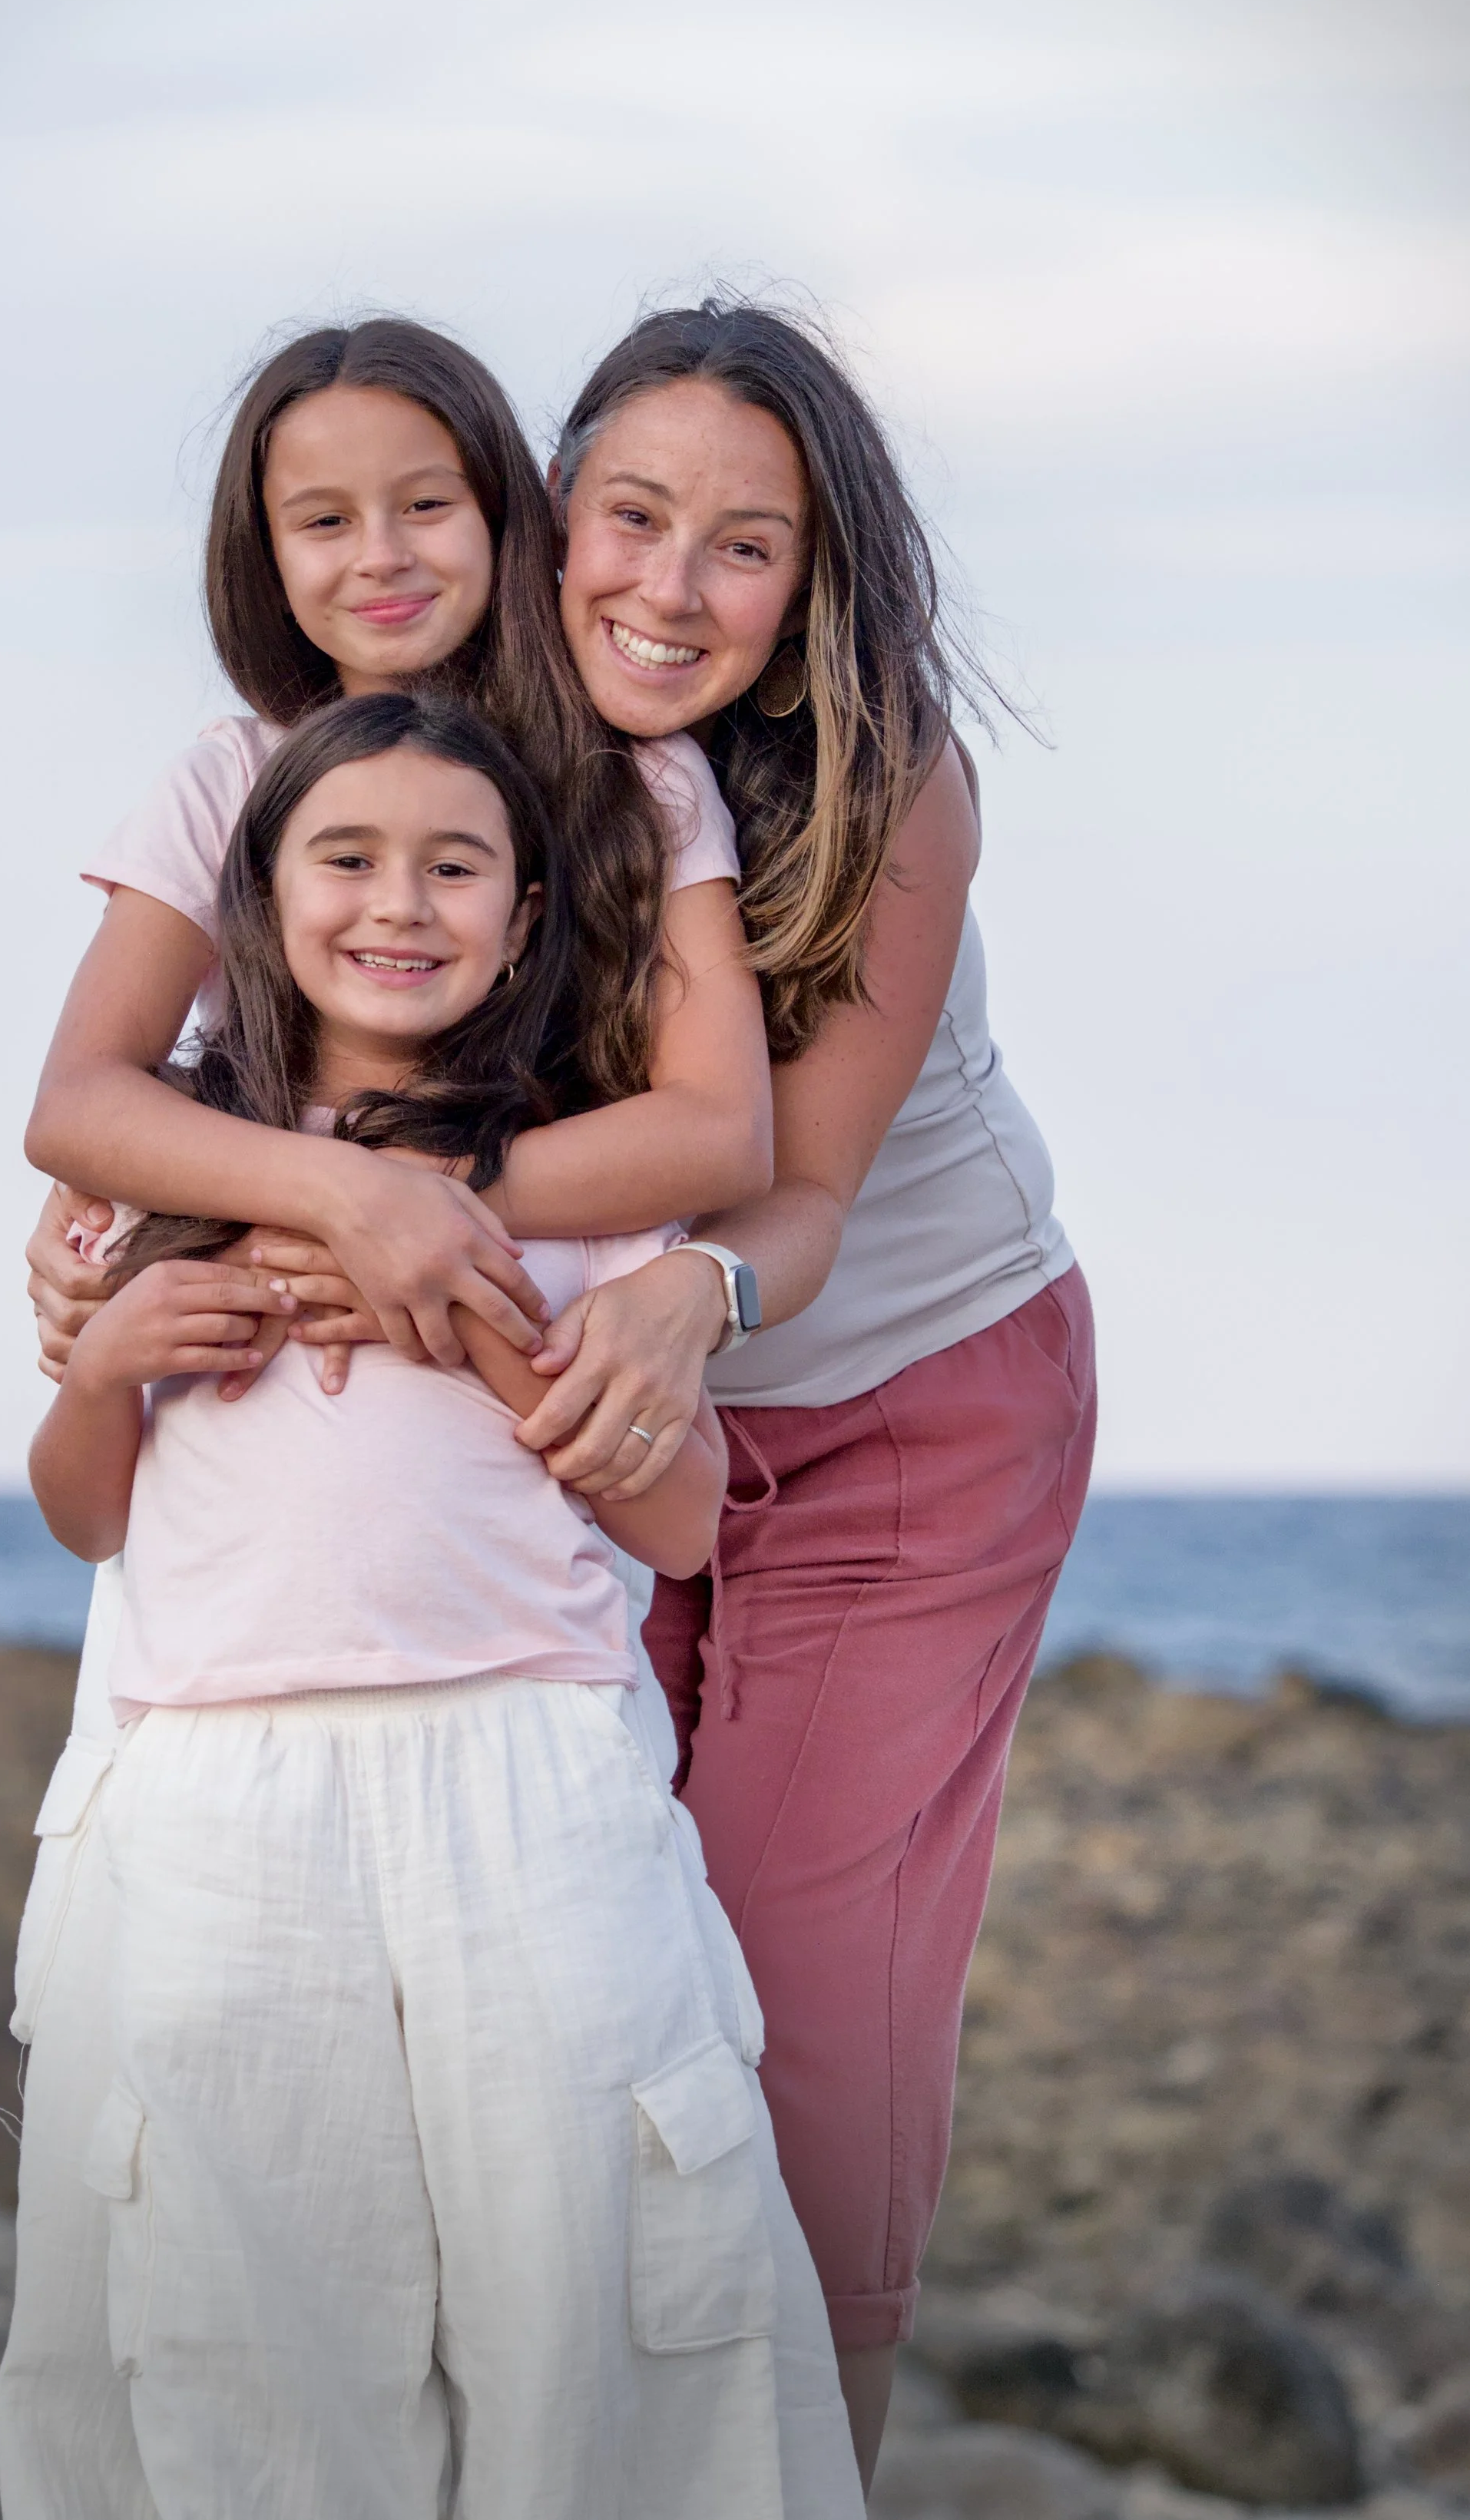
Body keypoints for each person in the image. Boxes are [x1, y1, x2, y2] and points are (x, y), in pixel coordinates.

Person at [0, 317, 774, 2515]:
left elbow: (712, 1138)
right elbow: (77, 1125)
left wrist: (448, 1232)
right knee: (241, 2334)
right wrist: (289, 1213)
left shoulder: (623, 795)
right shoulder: (195, 1108)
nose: (377, 553)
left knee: (589, 2324)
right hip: (230, 1765)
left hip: (518, 1749)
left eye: (424, 500)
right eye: (315, 516)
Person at [476, 296, 1095, 2480]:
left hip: (912, 1399)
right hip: (618, 1422)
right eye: (628, 516)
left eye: (741, 546)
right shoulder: (459, 753)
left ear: (816, 582)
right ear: (548, 518)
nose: (668, 583)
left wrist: (690, 1297)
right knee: (579, 1946)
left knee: (795, 1997)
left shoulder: (893, 784)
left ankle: (799, 2469)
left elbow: (801, 1193)